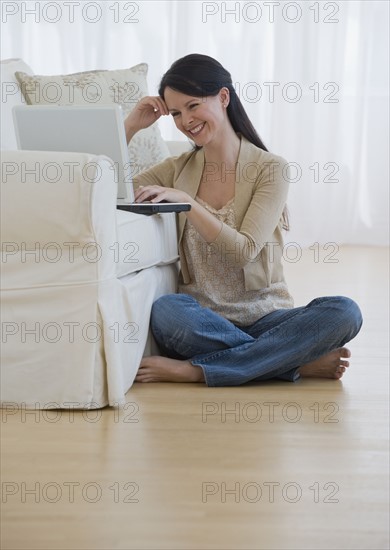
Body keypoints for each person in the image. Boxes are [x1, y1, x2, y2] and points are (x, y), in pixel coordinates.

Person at [124, 53, 362, 386]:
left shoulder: (270, 169)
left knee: (345, 312)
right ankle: (290, 363)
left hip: (268, 318)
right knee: (166, 311)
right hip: (203, 321)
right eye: (176, 113)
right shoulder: (176, 169)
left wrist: (190, 204)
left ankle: (197, 370)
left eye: (193, 106)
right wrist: (129, 126)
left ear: (223, 97)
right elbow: (107, 190)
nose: (185, 121)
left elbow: (243, 251)